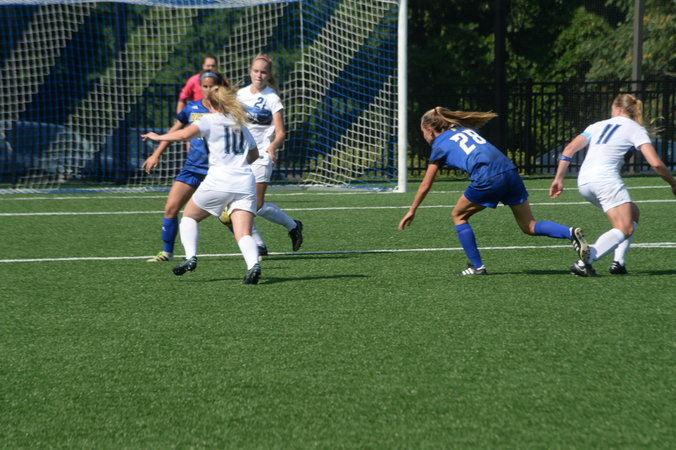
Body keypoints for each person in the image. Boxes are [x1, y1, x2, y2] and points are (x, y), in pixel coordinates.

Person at [398, 107, 590, 275]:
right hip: (510, 172)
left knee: (458, 215)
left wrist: (412, 209)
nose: (424, 137)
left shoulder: (439, 144)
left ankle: (477, 267)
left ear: (430, 130)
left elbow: (426, 184)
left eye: (422, 132)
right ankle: (570, 232)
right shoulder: (464, 130)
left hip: (488, 176)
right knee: (529, 226)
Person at [142, 85, 262, 284]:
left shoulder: (209, 120)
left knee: (189, 216)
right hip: (245, 182)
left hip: (219, 180)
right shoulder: (239, 122)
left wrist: (157, 137)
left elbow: (183, 135)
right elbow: (254, 154)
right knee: (243, 233)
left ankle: (190, 257)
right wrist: (238, 164)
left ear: (209, 103)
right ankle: (253, 265)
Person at [549, 93, 676, 277]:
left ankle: (619, 263)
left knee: (633, 212)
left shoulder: (596, 126)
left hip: (584, 181)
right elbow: (656, 164)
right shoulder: (635, 128)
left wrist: (558, 178)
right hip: (605, 179)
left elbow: (569, 149)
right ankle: (584, 262)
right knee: (625, 228)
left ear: (616, 108)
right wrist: (673, 183)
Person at [143, 70, 227, 262]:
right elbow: (176, 131)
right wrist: (156, 154)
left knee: (228, 215)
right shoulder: (191, 108)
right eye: (204, 86)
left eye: (212, 86)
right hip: (192, 168)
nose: (208, 90)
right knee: (171, 208)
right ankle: (167, 253)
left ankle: (255, 248)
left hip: (217, 171)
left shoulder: (226, 111)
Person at [226, 54, 303, 257]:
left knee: (256, 206)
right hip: (241, 157)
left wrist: (273, 147)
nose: (259, 75)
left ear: (269, 75)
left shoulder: (272, 98)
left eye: (263, 72)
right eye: (256, 71)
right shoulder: (240, 95)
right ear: (250, 72)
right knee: (234, 204)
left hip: (261, 156)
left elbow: (281, 133)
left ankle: (293, 226)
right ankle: (259, 245)